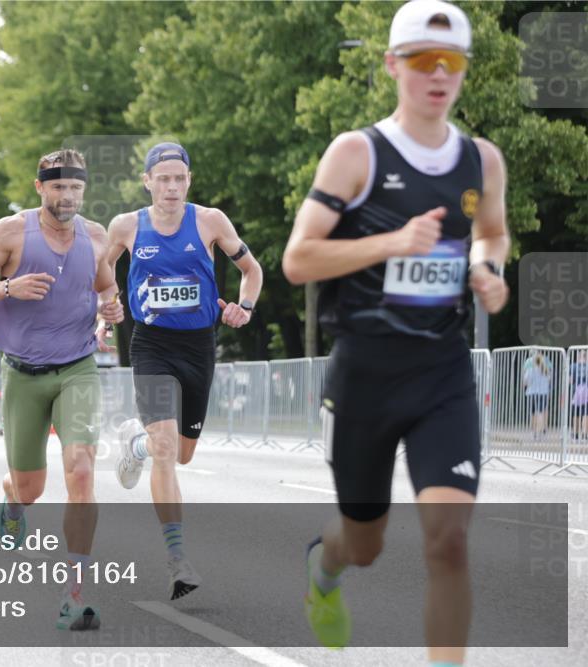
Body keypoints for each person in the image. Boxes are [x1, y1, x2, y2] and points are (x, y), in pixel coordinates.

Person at [281, 2, 510, 664]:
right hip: (364, 375)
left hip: (441, 373)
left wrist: (485, 268)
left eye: (453, 63)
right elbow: (298, 259)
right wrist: (391, 242)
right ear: (392, 65)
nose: (438, 75)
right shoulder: (357, 153)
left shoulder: (481, 161)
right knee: (366, 541)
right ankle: (324, 572)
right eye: (422, 61)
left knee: (449, 540)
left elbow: (490, 232)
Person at [0, 148, 123, 630]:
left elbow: (107, 286)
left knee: (82, 470)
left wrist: (112, 311)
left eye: (75, 188)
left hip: (78, 368)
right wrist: (8, 289)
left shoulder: (95, 236)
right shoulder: (9, 233)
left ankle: (74, 596)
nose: (67, 196)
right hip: (23, 374)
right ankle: (11, 497)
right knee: (30, 489)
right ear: (40, 188)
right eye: (58, 187)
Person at [106, 141, 263, 600]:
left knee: (183, 454)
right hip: (151, 345)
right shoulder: (126, 226)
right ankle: (178, 559)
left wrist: (245, 307)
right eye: (163, 179)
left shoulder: (211, 221)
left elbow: (252, 270)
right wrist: (104, 310)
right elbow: (102, 272)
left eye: (179, 178)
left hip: (198, 347)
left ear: (188, 181)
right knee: (165, 446)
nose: (171, 187)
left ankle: (133, 444)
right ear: (148, 181)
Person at [523, 351, 551, 440]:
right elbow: (549, 380)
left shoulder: (530, 370)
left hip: (532, 393)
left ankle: (533, 433)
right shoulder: (546, 371)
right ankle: (541, 433)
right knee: (541, 413)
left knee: (533, 414)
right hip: (543, 393)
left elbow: (525, 383)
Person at [571, 350, 588, 442]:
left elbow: (570, 380)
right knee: (586, 414)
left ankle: (575, 434)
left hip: (576, 392)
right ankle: (585, 435)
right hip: (587, 393)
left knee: (576, 414)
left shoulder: (574, 366)